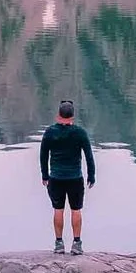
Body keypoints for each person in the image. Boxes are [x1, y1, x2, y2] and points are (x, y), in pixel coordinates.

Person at [38, 98, 95, 254]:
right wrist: (92, 175)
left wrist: (45, 175)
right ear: (72, 116)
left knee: (58, 209)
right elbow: (89, 156)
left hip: (56, 178)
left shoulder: (50, 132)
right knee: (76, 210)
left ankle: (59, 243)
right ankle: (77, 244)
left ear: (58, 115)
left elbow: (43, 155)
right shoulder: (80, 133)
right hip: (75, 178)